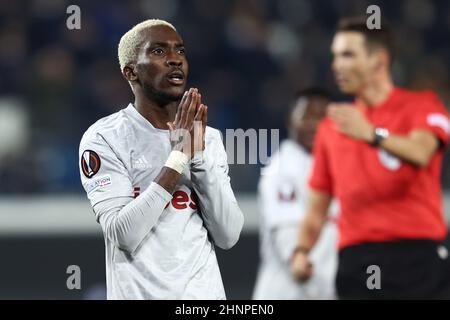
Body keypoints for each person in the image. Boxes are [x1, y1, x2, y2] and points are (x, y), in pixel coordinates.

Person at [78, 19, 244, 300]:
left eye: (180, 51)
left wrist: (198, 156)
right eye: (158, 51)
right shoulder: (104, 138)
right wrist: (179, 157)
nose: (174, 60)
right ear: (130, 71)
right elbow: (124, 234)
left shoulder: (209, 138)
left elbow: (228, 235)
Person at [291, 16, 450, 299]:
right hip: (357, 263)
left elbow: (421, 152)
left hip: (418, 259)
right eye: (335, 56)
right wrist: (302, 251)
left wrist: (372, 134)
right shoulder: (332, 127)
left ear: (379, 60)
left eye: (347, 55)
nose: (336, 64)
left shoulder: (422, 106)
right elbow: (317, 209)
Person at [253, 88, 338, 300]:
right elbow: (286, 228)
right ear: (290, 121)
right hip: (289, 291)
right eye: (306, 116)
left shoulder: (337, 165)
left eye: (322, 117)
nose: (314, 124)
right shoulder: (283, 167)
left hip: (325, 289)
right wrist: (297, 257)